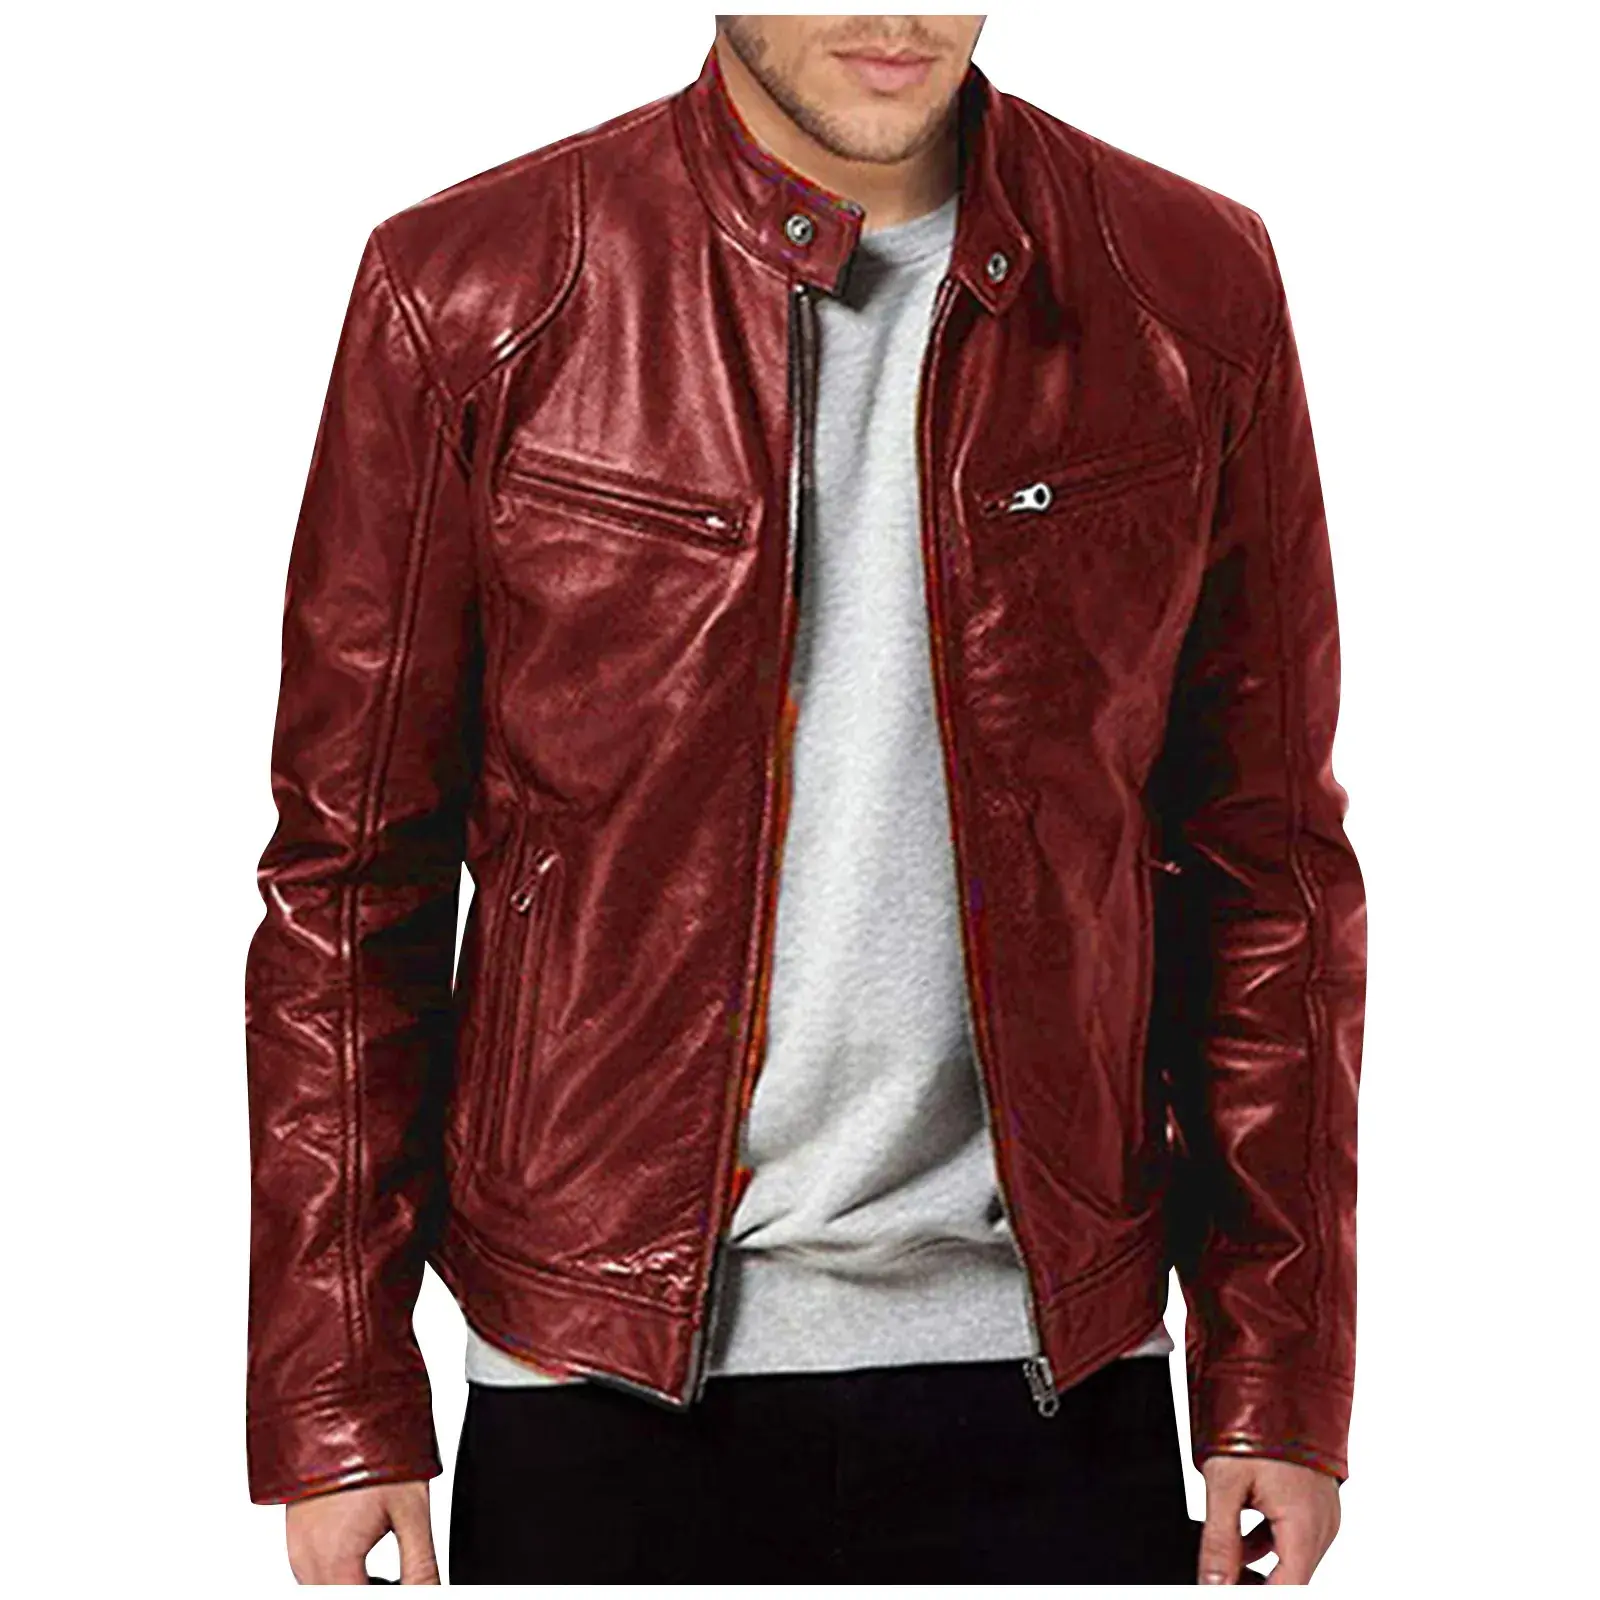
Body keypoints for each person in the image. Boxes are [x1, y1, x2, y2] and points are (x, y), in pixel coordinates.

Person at [245, 13, 1364, 1585]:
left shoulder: (1186, 286)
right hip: (600, 1377)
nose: (894, 20)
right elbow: (350, 878)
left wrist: (1277, 1369)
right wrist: (343, 1392)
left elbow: (1267, 867)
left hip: (1053, 1375)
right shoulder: (476, 289)